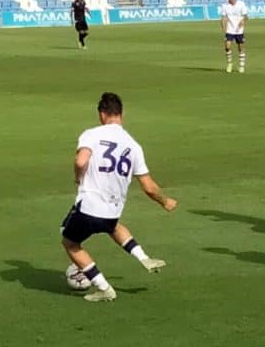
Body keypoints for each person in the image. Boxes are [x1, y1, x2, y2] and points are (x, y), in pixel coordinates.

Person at [61, 92, 178, 302]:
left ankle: (103, 287)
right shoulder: (133, 145)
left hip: (89, 205)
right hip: (113, 209)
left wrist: (78, 178)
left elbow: (80, 161)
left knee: (70, 242)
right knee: (112, 226)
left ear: (101, 114)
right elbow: (149, 187)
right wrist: (165, 201)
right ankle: (143, 257)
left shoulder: (91, 134)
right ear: (121, 114)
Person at [221, 0, 248, 73]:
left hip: (239, 30)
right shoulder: (225, 6)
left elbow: (246, 16)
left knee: (240, 48)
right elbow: (223, 18)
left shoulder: (241, 4)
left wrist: (242, 22)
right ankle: (229, 63)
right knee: (227, 46)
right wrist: (224, 29)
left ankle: (241, 66)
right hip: (230, 29)